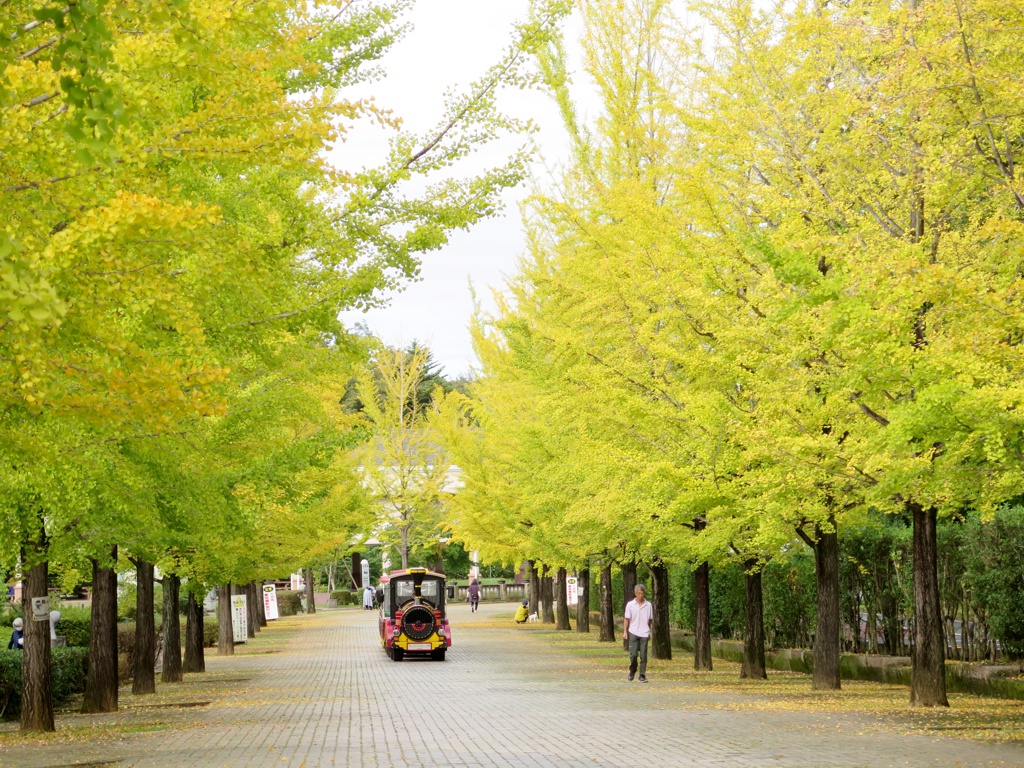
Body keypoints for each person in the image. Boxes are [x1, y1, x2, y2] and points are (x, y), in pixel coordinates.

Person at [623, 583, 653, 682]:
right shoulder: (630, 605)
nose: (641, 595)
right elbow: (626, 619)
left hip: (644, 633)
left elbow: (650, 620)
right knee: (633, 654)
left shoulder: (648, 605)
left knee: (643, 655)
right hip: (633, 631)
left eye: (642, 593)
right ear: (635, 593)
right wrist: (625, 631)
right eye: (639, 593)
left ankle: (642, 674)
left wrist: (649, 631)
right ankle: (632, 670)